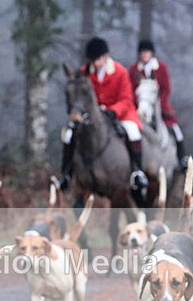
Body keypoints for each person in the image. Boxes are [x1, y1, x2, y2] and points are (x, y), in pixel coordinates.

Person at [58, 36, 148, 192]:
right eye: (92, 60)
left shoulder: (120, 71)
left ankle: (137, 172)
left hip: (120, 113)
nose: (95, 63)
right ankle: (66, 174)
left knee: (133, 133)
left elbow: (127, 99)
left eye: (98, 59)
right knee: (68, 135)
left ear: (106, 56)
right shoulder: (85, 72)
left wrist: (113, 111)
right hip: (93, 116)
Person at [128, 39, 189, 168]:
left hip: (159, 105)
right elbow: (131, 89)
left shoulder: (161, 67)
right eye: (142, 53)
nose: (145, 55)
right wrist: (137, 104)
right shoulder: (134, 69)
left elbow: (166, 88)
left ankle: (182, 158)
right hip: (139, 107)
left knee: (176, 130)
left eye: (147, 52)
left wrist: (160, 102)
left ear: (152, 53)